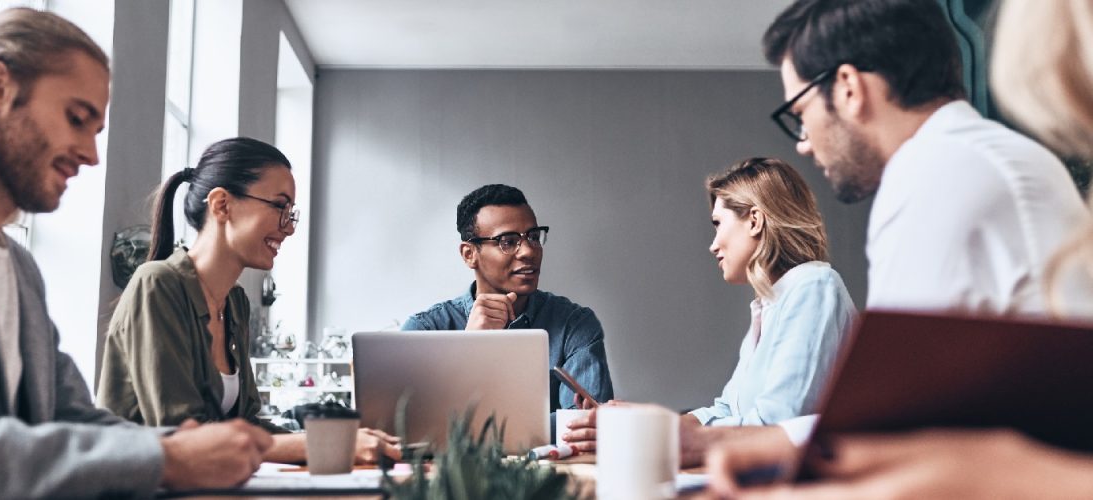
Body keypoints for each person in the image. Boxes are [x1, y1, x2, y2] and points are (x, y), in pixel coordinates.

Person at [705, 0, 1093, 496]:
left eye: (800, 113)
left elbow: (895, 430)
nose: (803, 142)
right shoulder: (987, 156)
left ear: (847, 87)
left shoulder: (937, 171)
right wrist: (752, 443)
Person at [0, 9, 272, 498]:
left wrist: (194, 446)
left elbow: (71, 416)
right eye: (77, 119)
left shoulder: (17, 266)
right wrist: (165, 457)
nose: (92, 154)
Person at [97, 137, 400, 464]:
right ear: (221, 204)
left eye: (291, 213)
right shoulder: (158, 284)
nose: (289, 228)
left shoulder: (235, 303)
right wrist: (326, 446)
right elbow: (183, 435)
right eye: (279, 206)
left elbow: (247, 425)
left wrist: (341, 440)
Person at [564, 158, 856, 466]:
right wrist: (643, 421)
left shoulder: (813, 286)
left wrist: (656, 432)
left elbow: (776, 425)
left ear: (755, 221)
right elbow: (728, 409)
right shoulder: (768, 306)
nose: (713, 245)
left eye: (718, 224)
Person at [402, 184, 614, 414]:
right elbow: (407, 427)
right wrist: (467, 350)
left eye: (533, 237)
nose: (529, 252)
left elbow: (585, 425)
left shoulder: (573, 325)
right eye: (508, 241)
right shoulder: (424, 331)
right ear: (469, 254)